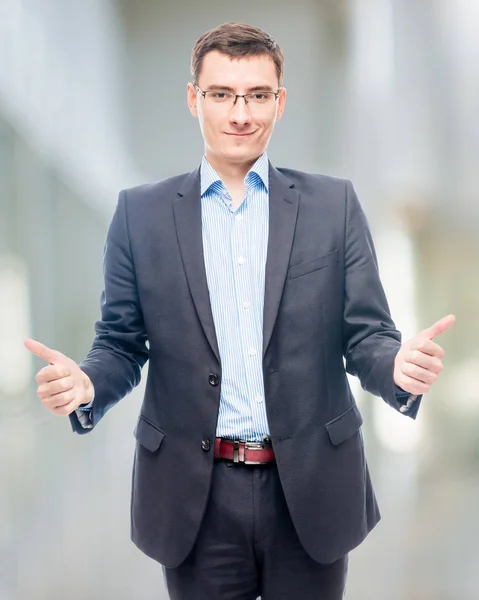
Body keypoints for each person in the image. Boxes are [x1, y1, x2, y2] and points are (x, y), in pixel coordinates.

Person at [25, 22, 455, 600]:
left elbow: (366, 334)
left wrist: (396, 368)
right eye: (222, 94)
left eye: (256, 95)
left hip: (307, 484)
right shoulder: (140, 215)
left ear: (279, 103)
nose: (240, 113)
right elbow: (122, 343)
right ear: (193, 99)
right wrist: (86, 383)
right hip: (193, 493)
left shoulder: (334, 206)